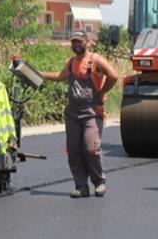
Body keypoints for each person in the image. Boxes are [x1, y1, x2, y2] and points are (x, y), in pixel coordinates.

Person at [41, 30, 118, 197]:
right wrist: (40, 75)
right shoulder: (71, 63)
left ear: (87, 42)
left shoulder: (96, 60)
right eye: (73, 42)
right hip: (73, 113)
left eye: (79, 42)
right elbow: (59, 76)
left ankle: (99, 181)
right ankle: (81, 185)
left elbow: (113, 75)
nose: (76, 45)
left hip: (92, 112)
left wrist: (102, 92)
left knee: (91, 148)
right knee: (74, 150)